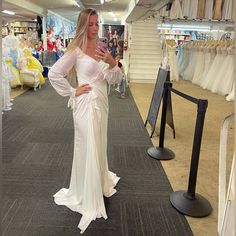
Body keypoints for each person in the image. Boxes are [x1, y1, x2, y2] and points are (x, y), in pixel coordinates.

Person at [48, 8, 123, 234]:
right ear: (83, 25)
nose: (94, 28)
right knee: (87, 144)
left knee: (98, 143)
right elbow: (54, 73)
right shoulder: (76, 49)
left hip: (102, 103)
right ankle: (84, 192)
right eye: (90, 24)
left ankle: (97, 183)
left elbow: (114, 79)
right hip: (84, 104)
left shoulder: (102, 47)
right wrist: (72, 91)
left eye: (96, 23)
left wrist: (112, 62)